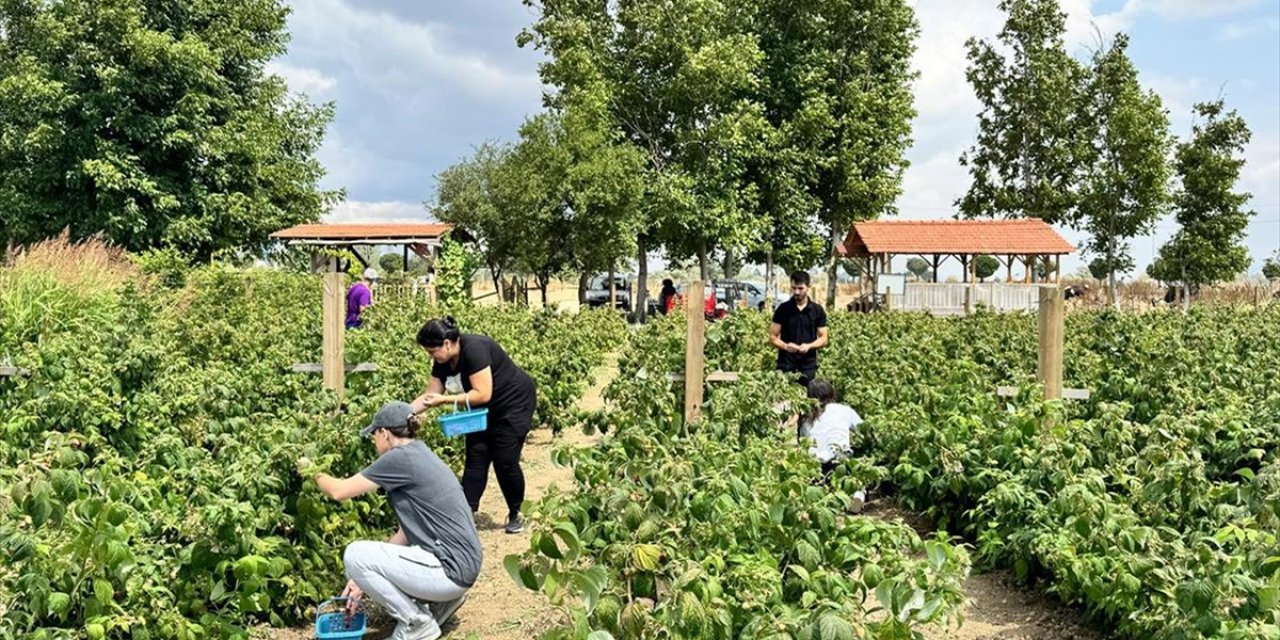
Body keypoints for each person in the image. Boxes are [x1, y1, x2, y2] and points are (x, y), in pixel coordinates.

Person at [296, 401, 480, 640]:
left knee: (354, 554)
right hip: (464, 565)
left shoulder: (399, 458)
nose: (374, 442)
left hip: (450, 571)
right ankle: (440, 604)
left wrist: (310, 470)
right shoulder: (420, 452)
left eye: (374, 435)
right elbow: (408, 528)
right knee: (363, 561)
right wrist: (364, 578)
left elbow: (338, 491)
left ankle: (417, 623)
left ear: (384, 433)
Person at [411, 317, 538, 534]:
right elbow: (430, 394)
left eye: (432, 352)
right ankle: (465, 514)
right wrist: (405, 412)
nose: (431, 357)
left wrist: (445, 401)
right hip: (483, 408)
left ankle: (517, 512)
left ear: (447, 344)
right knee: (476, 456)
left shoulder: (474, 349)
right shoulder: (442, 361)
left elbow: (482, 393)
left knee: (505, 460)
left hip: (513, 404)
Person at [798, 380, 866, 512]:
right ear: (831, 392)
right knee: (857, 469)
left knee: (820, 489)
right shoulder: (845, 410)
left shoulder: (807, 417)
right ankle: (856, 493)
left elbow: (804, 444)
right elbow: (863, 430)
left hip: (816, 468)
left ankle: (826, 494)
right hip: (839, 463)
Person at [769, 271, 829, 386]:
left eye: (800, 288)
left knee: (808, 399)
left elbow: (824, 338)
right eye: (794, 288)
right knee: (784, 399)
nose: (796, 292)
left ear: (808, 287)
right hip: (786, 364)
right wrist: (786, 346)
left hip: (808, 365)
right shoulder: (783, 309)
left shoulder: (817, 310)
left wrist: (809, 346)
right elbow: (772, 337)